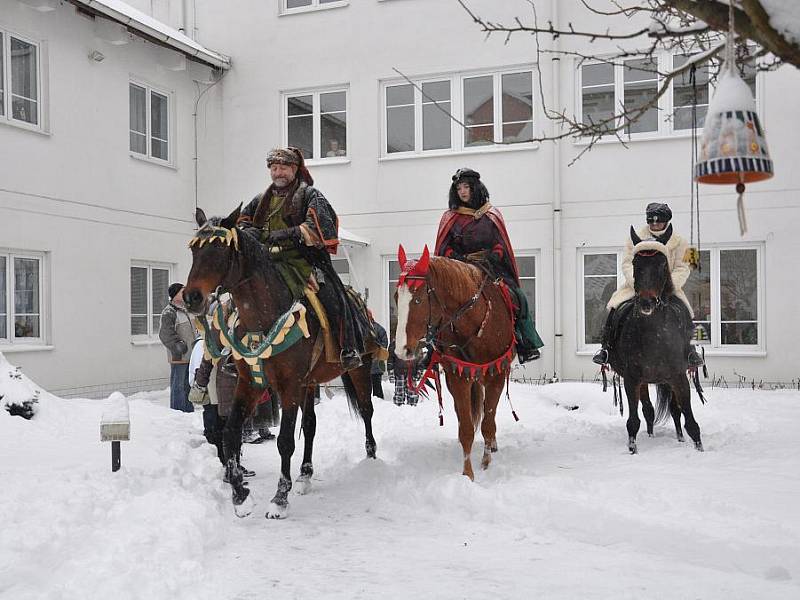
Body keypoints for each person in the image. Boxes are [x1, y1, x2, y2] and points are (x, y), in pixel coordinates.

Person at [237, 147, 370, 370]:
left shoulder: (310, 195)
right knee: (239, 295)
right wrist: (247, 231)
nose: (278, 173)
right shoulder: (261, 199)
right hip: (267, 262)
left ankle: (348, 348)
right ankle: (235, 353)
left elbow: (319, 228)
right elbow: (243, 220)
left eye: (283, 168)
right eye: (274, 168)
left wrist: (289, 233)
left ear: (294, 169)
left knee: (334, 299)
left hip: (305, 261)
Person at [434, 168, 543, 363]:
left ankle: (526, 342)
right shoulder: (450, 217)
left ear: (475, 188)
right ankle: (433, 348)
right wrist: (456, 256)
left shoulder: (491, 215)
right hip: (460, 268)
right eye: (458, 188)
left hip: (490, 268)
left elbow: (500, 242)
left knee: (518, 296)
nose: (462, 192)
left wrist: (495, 254)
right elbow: (444, 248)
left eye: (466, 187)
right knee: (439, 299)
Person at [592, 202, 704, 368]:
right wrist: (637, 282)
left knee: (685, 312)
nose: (654, 224)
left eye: (658, 221)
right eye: (651, 221)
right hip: (638, 286)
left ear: (666, 221)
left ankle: (690, 350)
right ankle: (606, 348)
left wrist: (669, 285)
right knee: (614, 308)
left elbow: (683, 267)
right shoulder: (635, 237)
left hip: (668, 287)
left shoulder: (681, 241)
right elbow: (627, 264)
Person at [159, 283, 196, 413]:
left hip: (191, 355)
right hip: (179, 356)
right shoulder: (169, 312)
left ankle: (188, 411)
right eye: (182, 292)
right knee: (178, 386)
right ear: (174, 295)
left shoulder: (187, 310)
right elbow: (165, 334)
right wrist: (178, 345)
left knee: (188, 385)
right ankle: (177, 412)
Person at [369, 320, 389, 399]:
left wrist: (377, 348)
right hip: (366, 363)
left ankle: (378, 399)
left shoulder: (379, 329)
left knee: (376, 383)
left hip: (376, 362)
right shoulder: (362, 327)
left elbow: (385, 343)